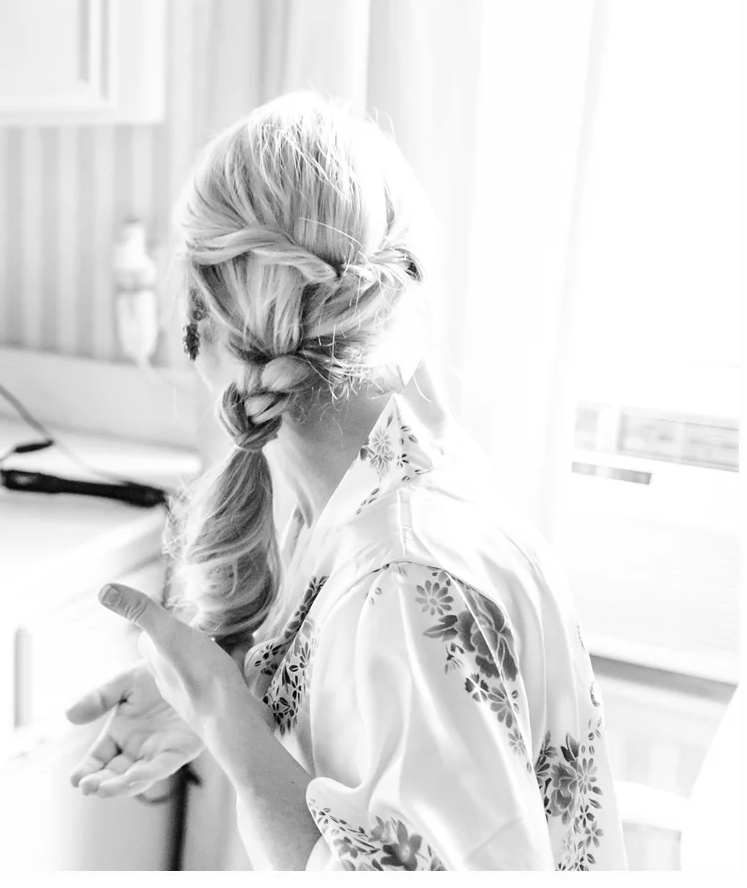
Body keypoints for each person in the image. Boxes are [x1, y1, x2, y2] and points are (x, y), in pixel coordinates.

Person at [66, 92, 625, 871]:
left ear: (206, 319)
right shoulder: (385, 486)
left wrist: (228, 719)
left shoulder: (402, 578)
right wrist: (226, 693)